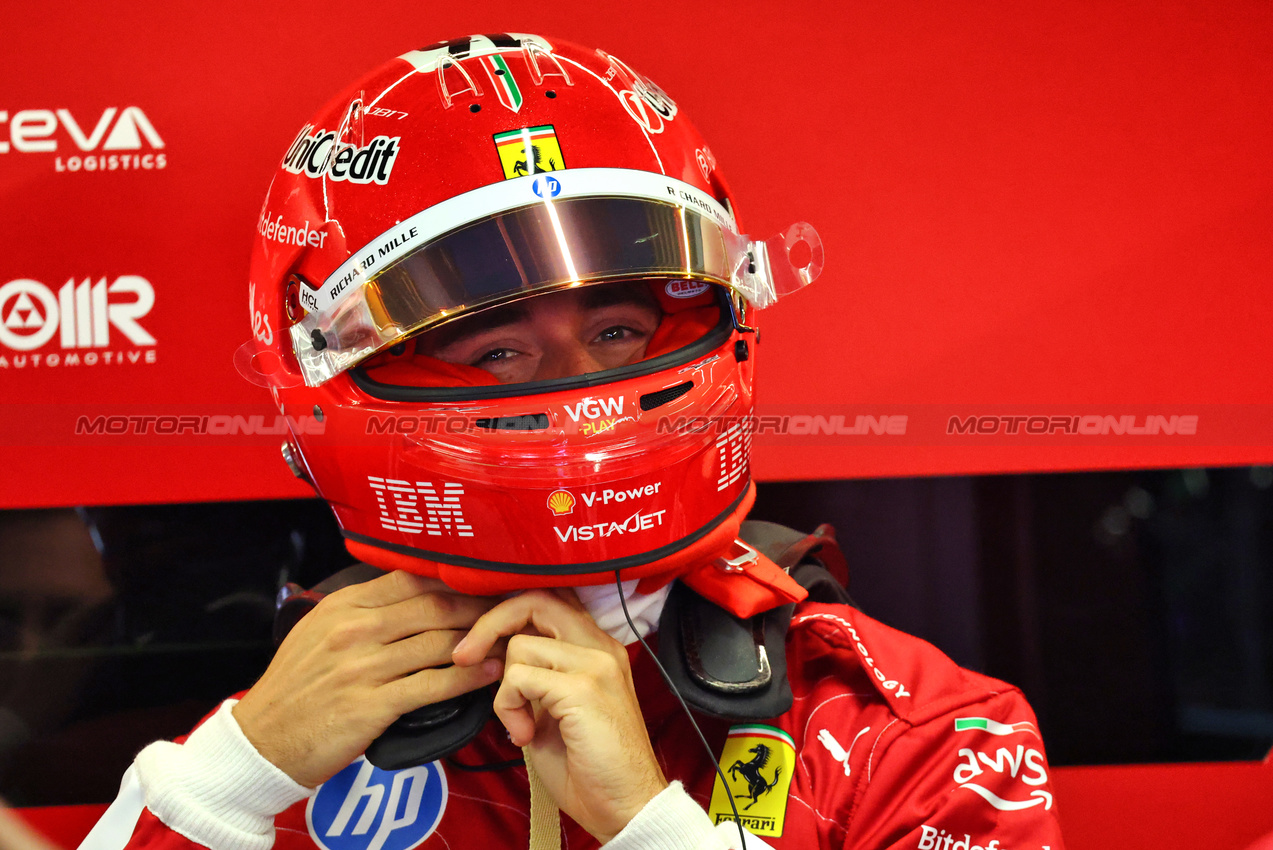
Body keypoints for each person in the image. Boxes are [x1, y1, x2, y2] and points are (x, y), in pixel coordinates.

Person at [81, 34, 1065, 850]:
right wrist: (225, 781)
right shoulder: (293, 735)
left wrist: (650, 822)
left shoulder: (917, 732)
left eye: (615, 333)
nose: (574, 395)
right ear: (316, 377)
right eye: (500, 351)